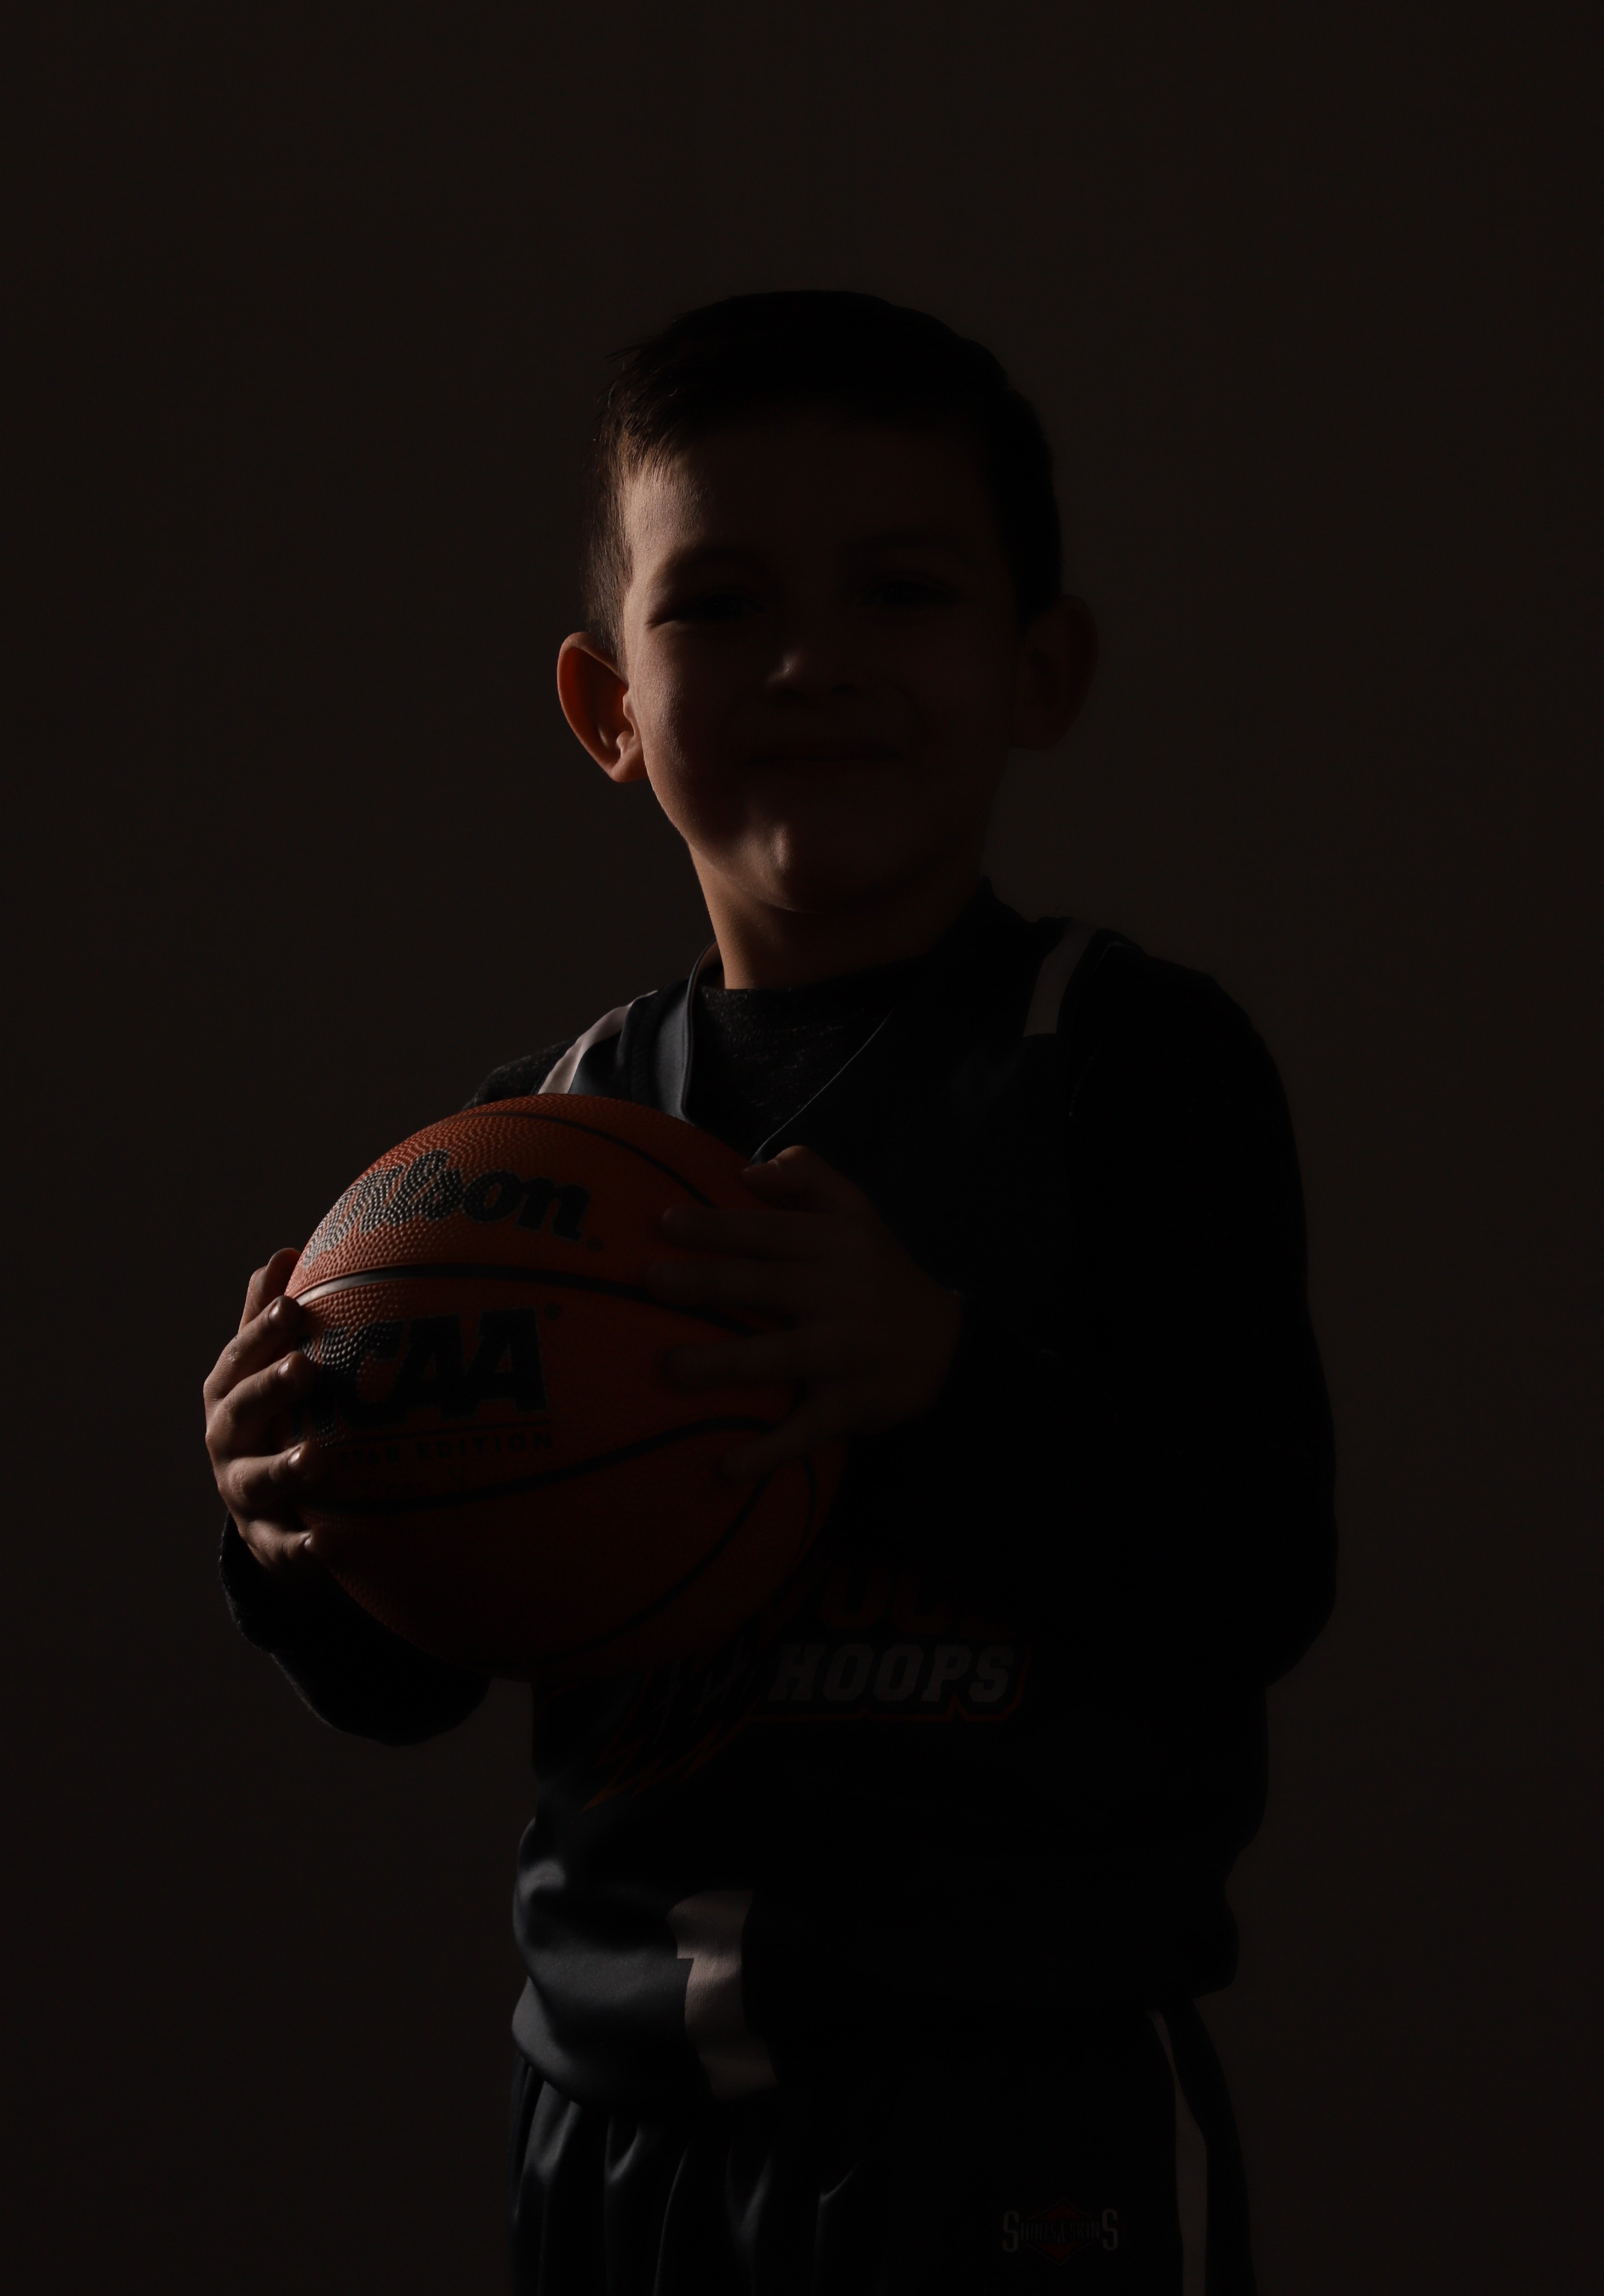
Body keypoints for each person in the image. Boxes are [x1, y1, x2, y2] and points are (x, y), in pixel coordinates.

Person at [203, 291, 1337, 2294]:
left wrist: (940, 1381)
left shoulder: (1127, 1065)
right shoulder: (526, 1146)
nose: (812, 659)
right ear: (608, 708)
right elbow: (416, 1676)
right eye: (721, 605)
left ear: (1040, 668)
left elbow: (1257, 1571)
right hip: (608, 2117)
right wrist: (293, 1524)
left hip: (1007, 2101)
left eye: (902, 591)